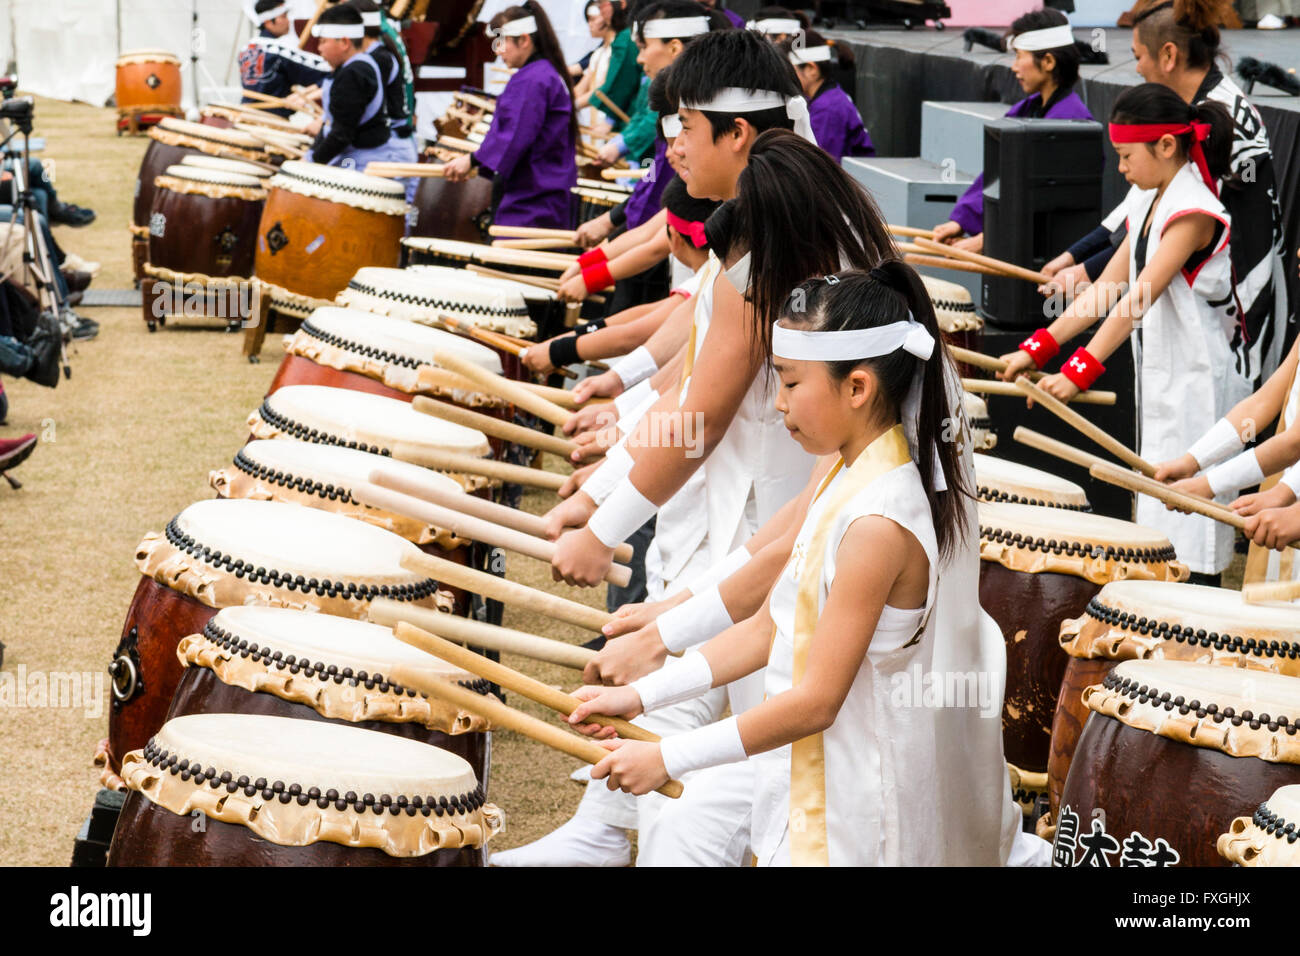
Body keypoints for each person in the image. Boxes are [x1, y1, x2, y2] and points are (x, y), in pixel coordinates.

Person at [567, 265, 979, 866]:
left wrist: (667, 757)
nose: (779, 404)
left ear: (858, 387)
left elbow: (817, 700)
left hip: (858, 811)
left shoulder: (878, 522)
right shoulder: (843, 473)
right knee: (683, 832)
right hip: (809, 767)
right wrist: (643, 699)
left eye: (789, 383)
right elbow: (769, 627)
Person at [1000, 83, 1249, 583]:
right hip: (1166, 376)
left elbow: (1138, 297)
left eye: (1126, 155)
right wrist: (1040, 347)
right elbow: (1106, 287)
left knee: (1189, 531)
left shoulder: (1195, 211)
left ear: (1166, 146)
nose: (1121, 169)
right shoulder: (1149, 198)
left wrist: (1079, 371)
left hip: (1201, 385)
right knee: (1159, 519)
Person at [1042, 0, 1290, 387]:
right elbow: (1137, 217)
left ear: (1169, 55)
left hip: (1233, 325)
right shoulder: (1194, 115)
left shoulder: (1216, 128)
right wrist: (1077, 259)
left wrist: (1087, 275)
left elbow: (1157, 232)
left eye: (1139, 55)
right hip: (1190, 318)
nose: (1137, 68)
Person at [931, 9, 1092, 254]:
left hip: (1048, 256)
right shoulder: (1025, 111)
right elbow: (997, 176)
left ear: (1048, 62)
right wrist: (961, 221)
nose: (1014, 67)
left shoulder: (1072, 124)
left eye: (1019, 56)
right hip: (1014, 244)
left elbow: (1046, 207)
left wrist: (987, 239)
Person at [443, 2, 577, 230]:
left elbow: (515, 136)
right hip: (541, 192)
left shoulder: (533, 80)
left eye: (501, 41)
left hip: (533, 199)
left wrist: (472, 160)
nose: (497, 50)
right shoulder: (544, 74)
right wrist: (479, 165)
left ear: (523, 40)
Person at [302, 5, 398, 172]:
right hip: (356, 155)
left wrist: (310, 163)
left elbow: (341, 134)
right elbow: (333, 125)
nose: (319, 48)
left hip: (361, 160)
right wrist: (311, 153)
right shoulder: (354, 67)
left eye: (323, 41)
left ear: (345, 42)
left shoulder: (354, 73)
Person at [780, 31, 873, 164]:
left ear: (811, 69)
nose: (786, 76)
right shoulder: (828, 97)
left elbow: (820, 166)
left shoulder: (827, 109)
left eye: (790, 70)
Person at [239, 0, 330, 119]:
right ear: (268, 22)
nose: (288, 21)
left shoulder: (245, 49)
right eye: (284, 17)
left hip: (245, 115)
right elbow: (328, 72)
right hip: (271, 121)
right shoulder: (280, 51)